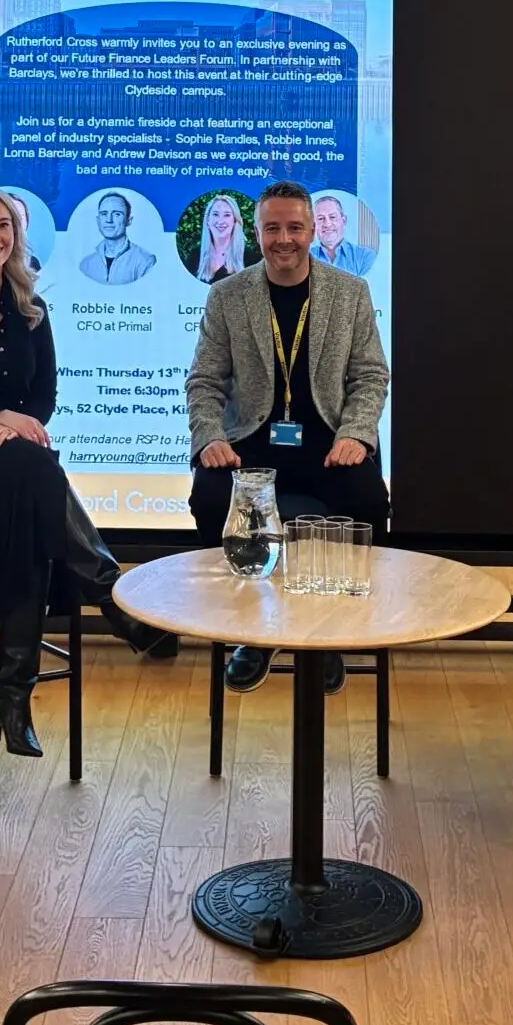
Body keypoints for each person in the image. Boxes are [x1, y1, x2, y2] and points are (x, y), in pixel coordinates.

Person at [0, 188, 173, 759]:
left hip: (6, 463)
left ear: (17, 237)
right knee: (35, 470)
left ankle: (13, 695)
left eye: (5, 226)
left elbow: (43, 398)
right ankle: (107, 597)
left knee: (28, 488)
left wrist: (14, 427)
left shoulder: (31, 310)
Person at [187, 179, 391, 694]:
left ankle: (327, 635)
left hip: (328, 445)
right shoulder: (227, 295)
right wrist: (209, 437)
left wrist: (357, 434)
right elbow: (204, 381)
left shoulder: (350, 292)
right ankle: (251, 632)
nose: (284, 239)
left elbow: (371, 376)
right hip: (251, 448)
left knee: (369, 499)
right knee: (208, 495)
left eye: (295, 228)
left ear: (312, 230)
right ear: (256, 233)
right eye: (272, 228)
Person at [78, 191, 154, 285]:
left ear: (128, 220)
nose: (109, 220)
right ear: (98, 220)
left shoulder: (145, 261)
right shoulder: (86, 265)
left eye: (117, 214)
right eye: (104, 214)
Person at [310, 195, 376, 277]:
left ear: (344, 221)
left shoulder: (365, 256)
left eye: (332, 217)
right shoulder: (303, 258)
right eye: (320, 218)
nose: (327, 224)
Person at [195, 194, 247, 283]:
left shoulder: (250, 258)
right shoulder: (195, 256)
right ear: (207, 220)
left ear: (235, 221)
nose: (220, 221)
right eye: (215, 214)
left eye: (227, 215)